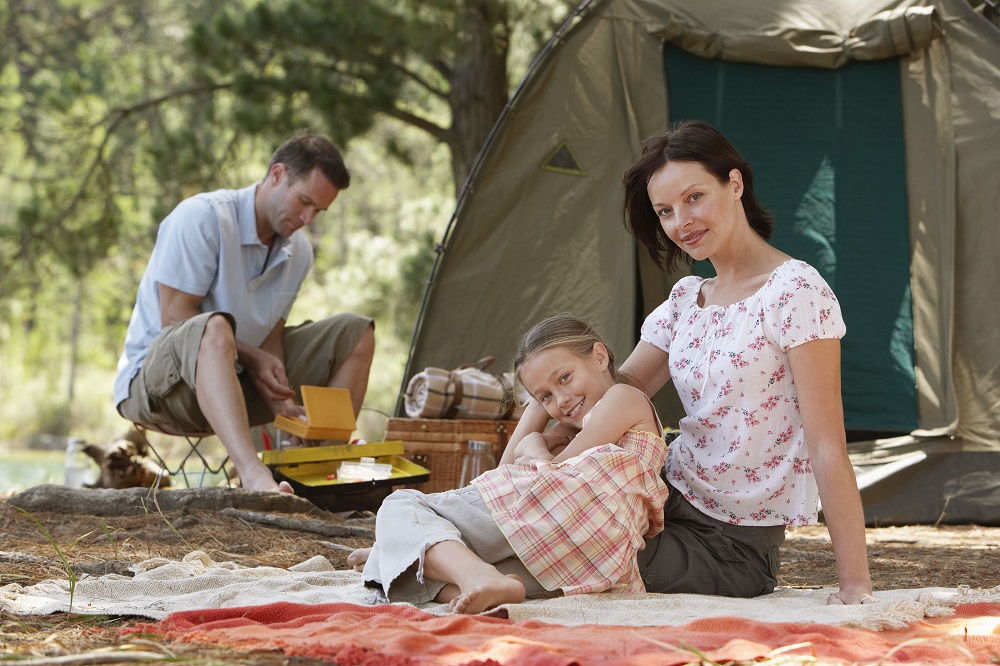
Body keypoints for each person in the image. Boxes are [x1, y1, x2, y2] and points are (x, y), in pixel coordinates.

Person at [509, 120, 875, 605]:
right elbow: (610, 389)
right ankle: (436, 540)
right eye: (665, 210)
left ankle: (430, 552)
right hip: (662, 493)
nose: (681, 221)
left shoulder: (795, 293)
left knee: (554, 554)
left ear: (736, 183)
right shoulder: (686, 300)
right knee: (540, 532)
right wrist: (535, 416)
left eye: (694, 197)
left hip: (731, 544)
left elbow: (828, 444)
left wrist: (856, 584)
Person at [114, 132, 375, 494]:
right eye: (304, 202)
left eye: (319, 211)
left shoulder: (297, 252)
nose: (308, 218)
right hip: (158, 388)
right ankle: (253, 476)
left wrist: (284, 409)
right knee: (214, 328)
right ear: (277, 174)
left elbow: (271, 341)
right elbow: (175, 319)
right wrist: (252, 358)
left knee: (355, 332)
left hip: (235, 380)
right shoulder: (201, 217)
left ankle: (323, 477)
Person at [356, 314, 670, 614]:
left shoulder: (623, 397)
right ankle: (446, 564)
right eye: (545, 397)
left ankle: (413, 550)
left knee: (400, 504)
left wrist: (534, 446)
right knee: (407, 579)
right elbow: (503, 473)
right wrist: (540, 403)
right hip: (593, 551)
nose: (561, 400)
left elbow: (554, 474)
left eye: (565, 377)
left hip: (569, 516)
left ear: (599, 357)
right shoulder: (576, 426)